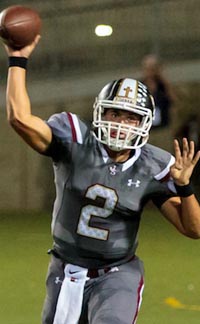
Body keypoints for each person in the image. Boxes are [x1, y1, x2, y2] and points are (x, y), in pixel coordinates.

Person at [4, 36, 200, 324]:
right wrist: (18, 58)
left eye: (130, 117)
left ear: (143, 123)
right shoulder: (75, 140)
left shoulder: (152, 166)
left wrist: (184, 187)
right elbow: (19, 118)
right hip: (65, 270)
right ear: (100, 111)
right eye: (115, 113)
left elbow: (193, 229)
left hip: (116, 275)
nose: (121, 123)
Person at [141, 54, 175, 128]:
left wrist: (162, 78)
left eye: (153, 68)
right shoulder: (141, 85)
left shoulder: (163, 85)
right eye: (148, 68)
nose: (150, 71)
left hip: (163, 126)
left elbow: (173, 99)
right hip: (145, 127)